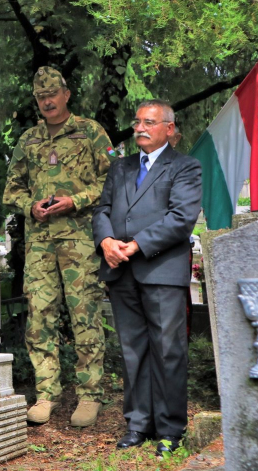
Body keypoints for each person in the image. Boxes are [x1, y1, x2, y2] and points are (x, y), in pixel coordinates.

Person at [3, 66, 115, 427]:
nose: (47, 100)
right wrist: (28, 206)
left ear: (67, 94)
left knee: (84, 315)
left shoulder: (90, 132)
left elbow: (112, 182)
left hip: (79, 240)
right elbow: (13, 188)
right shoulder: (28, 139)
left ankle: (90, 394)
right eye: (40, 96)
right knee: (39, 318)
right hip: (38, 244)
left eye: (52, 93)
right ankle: (47, 393)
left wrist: (77, 200)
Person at [92, 100, 202, 454]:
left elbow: (181, 218)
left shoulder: (185, 167)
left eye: (149, 122)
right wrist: (106, 240)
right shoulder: (120, 167)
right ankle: (138, 424)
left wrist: (136, 245)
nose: (139, 127)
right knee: (133, 351)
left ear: (169, 128)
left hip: (161, 271)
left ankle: (169, 430)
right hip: (120, 271)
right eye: (137, 121)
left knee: (168, 352)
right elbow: (102, 209)